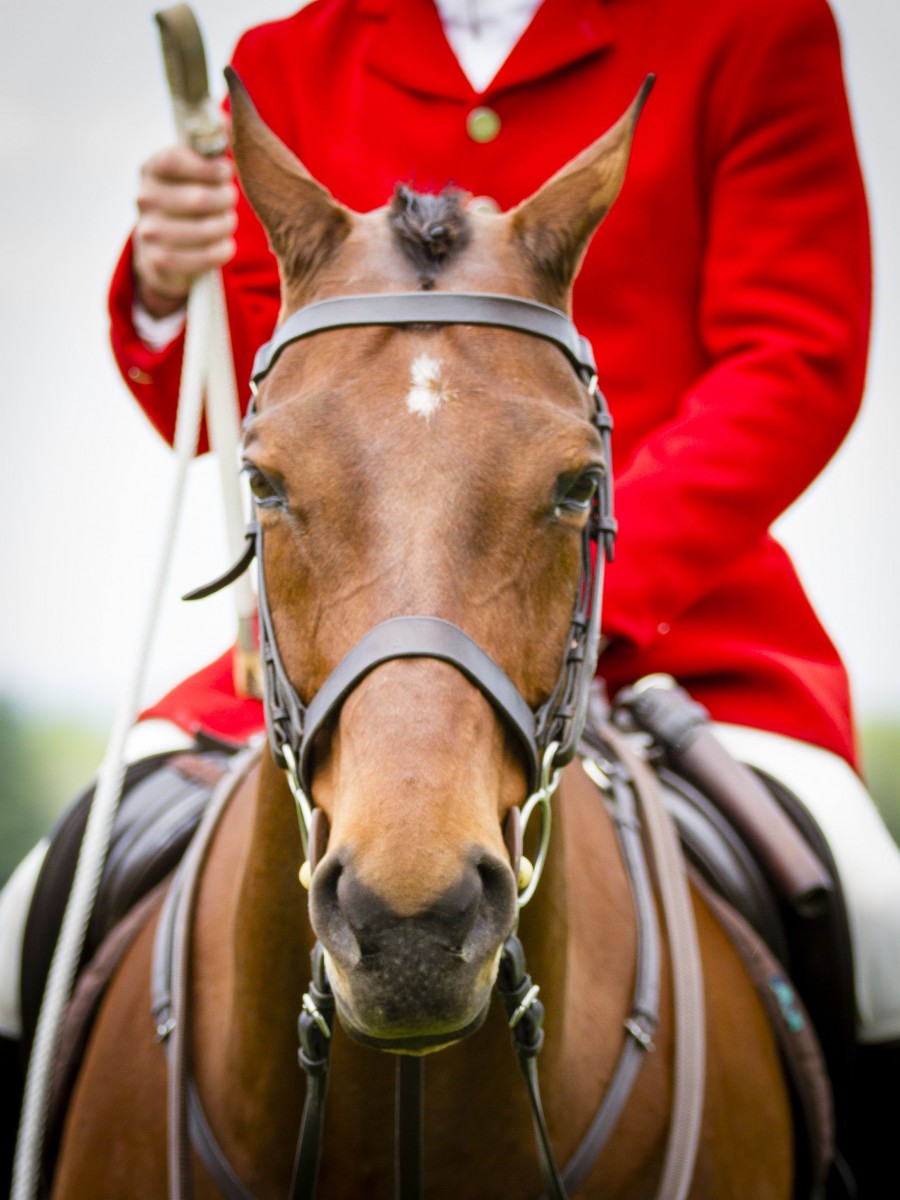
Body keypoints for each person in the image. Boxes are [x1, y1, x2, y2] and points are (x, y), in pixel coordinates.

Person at [2, 0, 898, 1192]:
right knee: (32, 919)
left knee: (876, 921)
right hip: (344, 660)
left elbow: (796, 356)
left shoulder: (752, 31)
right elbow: (276, 426)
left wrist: (566, 576)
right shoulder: (283, 65)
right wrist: (170, 288)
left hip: (670, 626)